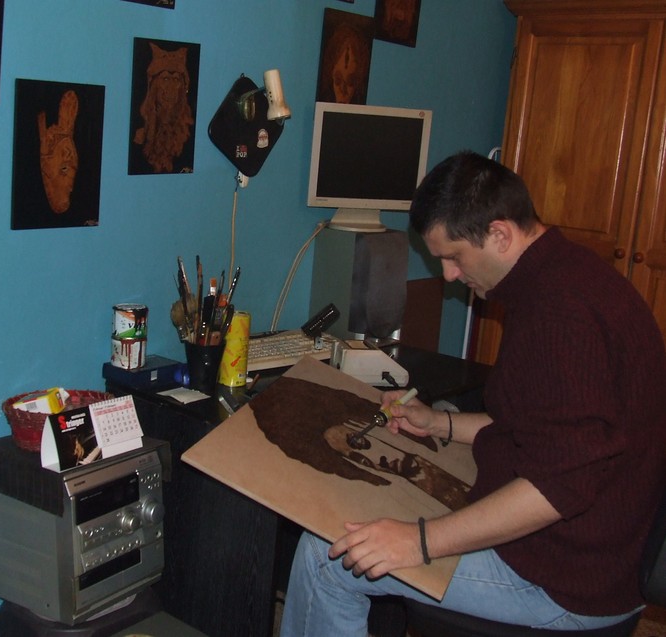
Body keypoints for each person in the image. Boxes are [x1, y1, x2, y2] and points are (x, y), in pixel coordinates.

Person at [279, 151, 666, 635]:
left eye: (453, 257)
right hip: (586, 550)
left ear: (500, 234)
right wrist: (439, 422)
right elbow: (541, 426)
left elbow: (559, 486)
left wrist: (418, 542)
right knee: (369, 524)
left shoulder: (561, 319)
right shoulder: (563, 274)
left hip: (565, 579)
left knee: (328, 556)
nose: (448, 275)